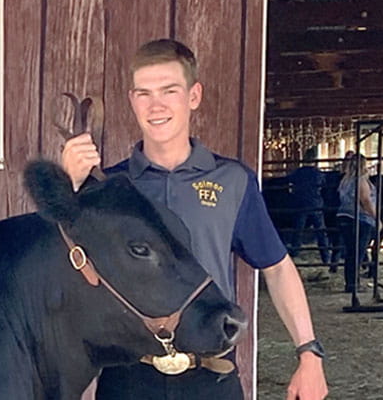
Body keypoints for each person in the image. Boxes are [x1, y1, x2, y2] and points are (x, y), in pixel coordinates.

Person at [62, 39, 327, 400]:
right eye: (144, 93)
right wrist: (70, 186)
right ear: (132, 100)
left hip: (211, 375)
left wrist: (309, 353)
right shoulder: (109, 187)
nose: (155, 105)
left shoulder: (232, 181)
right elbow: (66, 269)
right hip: (128, 377)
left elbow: (277, 267)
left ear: (194, 96)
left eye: (169, 90)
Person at [335, 154, 377, 293]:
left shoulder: (345, 180)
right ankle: (354, 284)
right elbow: (365, 200)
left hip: (343, 216)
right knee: (358, 252)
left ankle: (350, 283)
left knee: (350, 252)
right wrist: (376, 218)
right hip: (360, 218)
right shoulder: (361, 181)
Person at [286, 149, 333, 268]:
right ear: (315, 160)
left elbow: (288, 181)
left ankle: (295, 252)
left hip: (301, 204)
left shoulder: (298, 172)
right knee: (320, 231)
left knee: (298, 229)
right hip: (316, 204)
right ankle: (325, 257)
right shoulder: (318, 173)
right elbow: (324, 185)